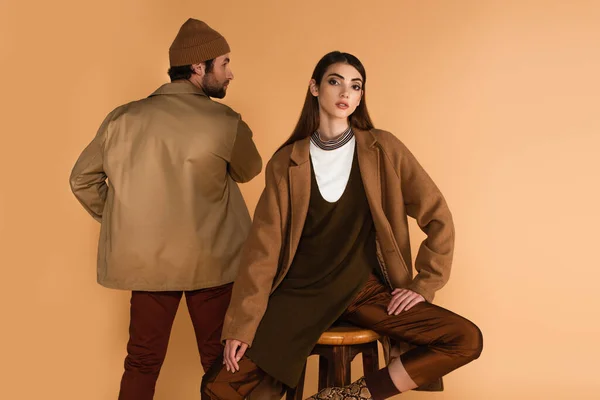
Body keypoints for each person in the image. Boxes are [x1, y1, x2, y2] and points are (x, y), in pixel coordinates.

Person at [201, 51, 482, 400]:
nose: (345, 92)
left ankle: (352, 396)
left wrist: (424, 284)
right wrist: (241, 326)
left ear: (361, 96)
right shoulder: (287, 162)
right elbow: (263, 251)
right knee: (218, 387)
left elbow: (438, 215)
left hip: (365, 291)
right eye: (335, 81)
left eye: (355, 86)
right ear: (315, 87)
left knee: (465, 338)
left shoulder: (384, 150)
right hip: (299, 293)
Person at [69, 18, 262, 400]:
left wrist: (123, 220)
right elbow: (249, 170)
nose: (231, 73)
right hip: (213, 262)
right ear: (198, 68)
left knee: (141, 361)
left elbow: (82, 180)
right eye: (224, 63)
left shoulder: (122, 119)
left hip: (147, 264)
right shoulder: (224, 121)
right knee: (221, 362)